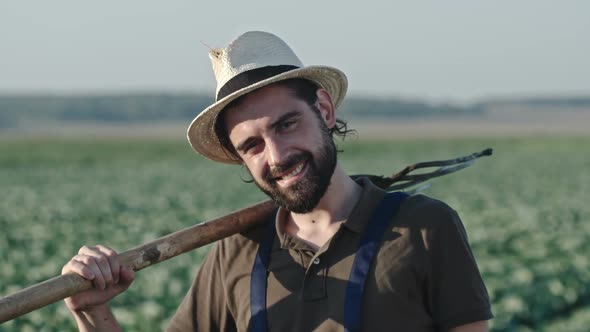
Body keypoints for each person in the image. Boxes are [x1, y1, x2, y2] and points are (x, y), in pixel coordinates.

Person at [62, 31, 493, 331]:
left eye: (287, 125)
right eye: (252, 146)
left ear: (324, 111)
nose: (277, 156)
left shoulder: (424, 228)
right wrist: (91, 312)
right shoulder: (237, 251)